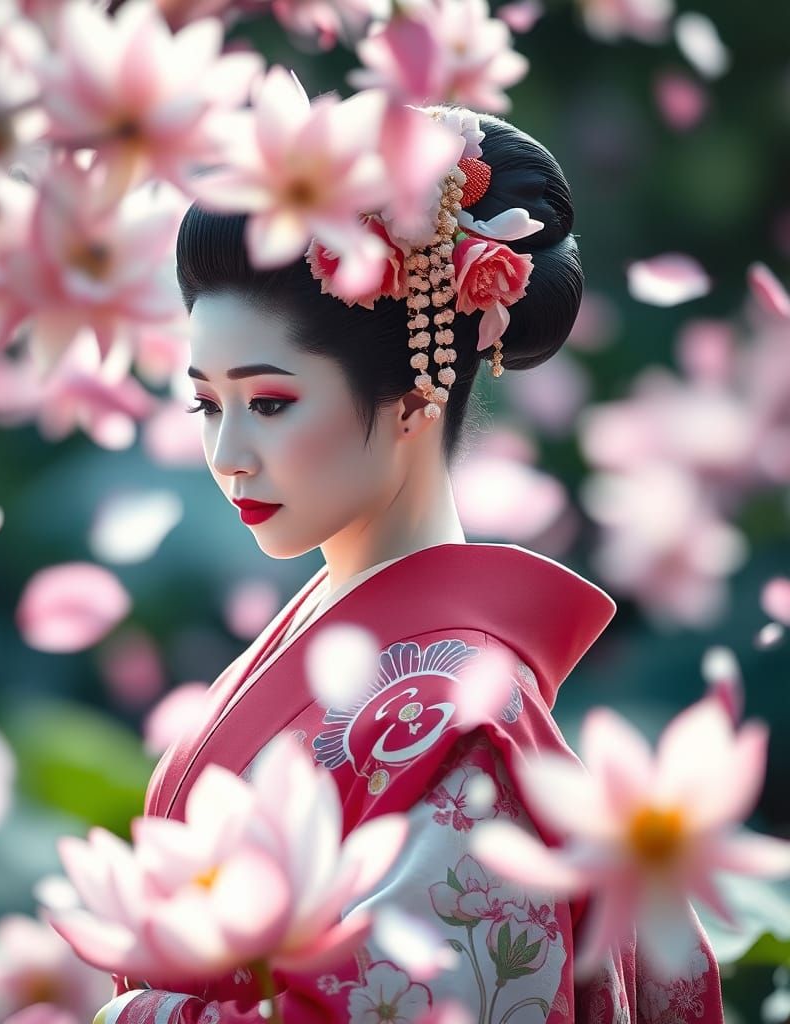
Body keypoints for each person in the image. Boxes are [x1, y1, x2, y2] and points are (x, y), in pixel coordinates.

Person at [97, 108, 725, 1024]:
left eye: (269, 403)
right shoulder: (331, 638)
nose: (227, 453)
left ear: (414, 395)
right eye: (206, 405)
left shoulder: (464, 719)